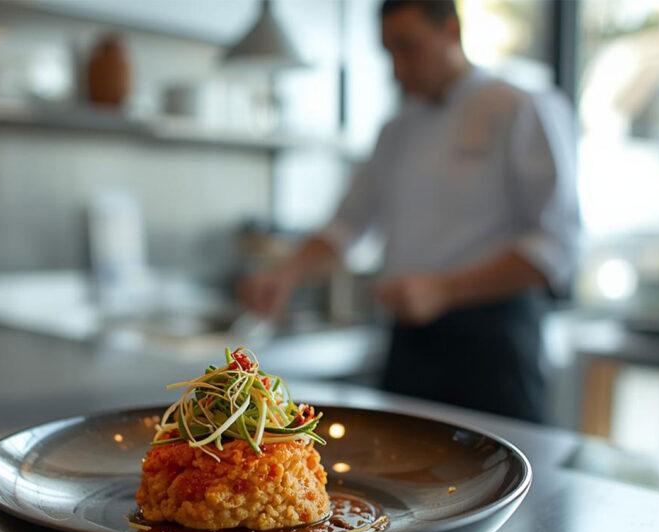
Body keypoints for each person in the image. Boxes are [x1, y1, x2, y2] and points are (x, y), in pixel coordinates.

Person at [239, 0, 581, 423]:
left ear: (451, 31)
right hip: (410, 344)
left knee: (509, 480)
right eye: (389, 52)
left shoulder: (520, 107)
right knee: (406, 477)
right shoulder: (396, 130)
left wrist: (445, 290)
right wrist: (285, 273)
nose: (398, 69)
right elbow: (347, 224)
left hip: (494, 345)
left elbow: (557, 244)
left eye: (408, 47)